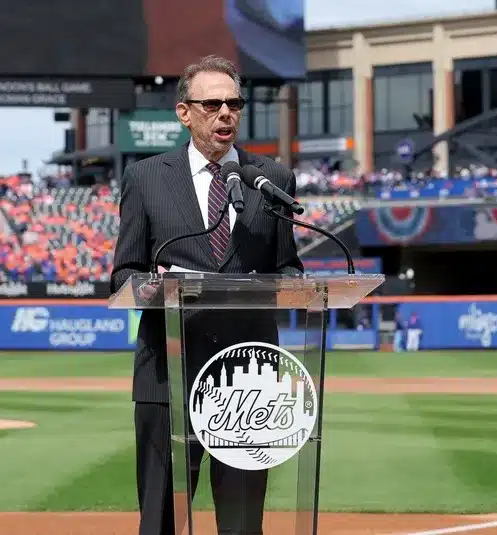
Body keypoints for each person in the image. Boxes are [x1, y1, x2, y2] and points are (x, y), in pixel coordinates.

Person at [109, 54, 303, 535]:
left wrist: (292, 285)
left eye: (234, 103)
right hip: (168, 372)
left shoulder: (271, 180)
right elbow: (122, 272)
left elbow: (289, 266)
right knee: (160, 517)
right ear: (184, 112)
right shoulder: (146, 177)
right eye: (212, 103)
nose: (225, 114)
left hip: (248, 380)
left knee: (242, 522)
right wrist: (151, 287)